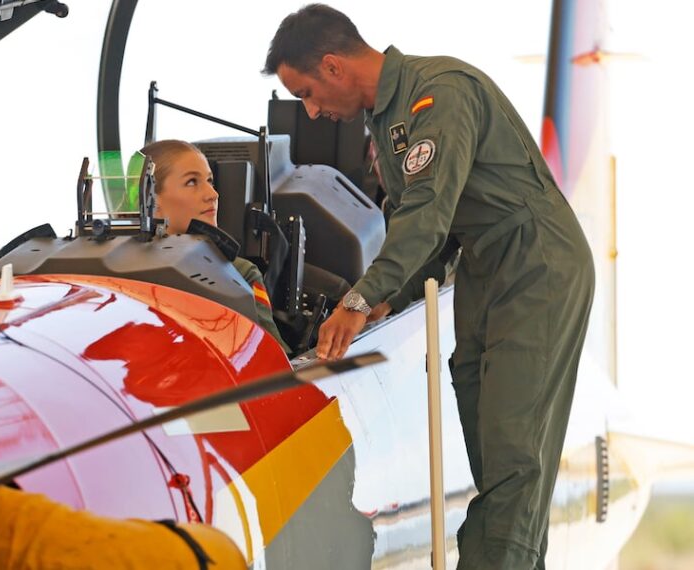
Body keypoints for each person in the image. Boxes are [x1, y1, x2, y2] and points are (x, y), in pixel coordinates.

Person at [262, 5, 594, 569]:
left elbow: (427, 214)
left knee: (514, 455)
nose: (312, 112)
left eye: (309, 93)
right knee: (492, 456)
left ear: (334, 65)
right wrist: (391, 295)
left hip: (534, 264)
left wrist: (360, 301)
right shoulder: (385, 121)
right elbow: (431, 236)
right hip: (483, 272)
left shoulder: (437, 94)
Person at [138, 139, 289, 352]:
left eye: (210, 181)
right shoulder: (237, 273)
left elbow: (271, 354)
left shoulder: (239, 272)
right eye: (192, 182)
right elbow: (278, 365)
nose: (213, 194)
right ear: (150, 198)